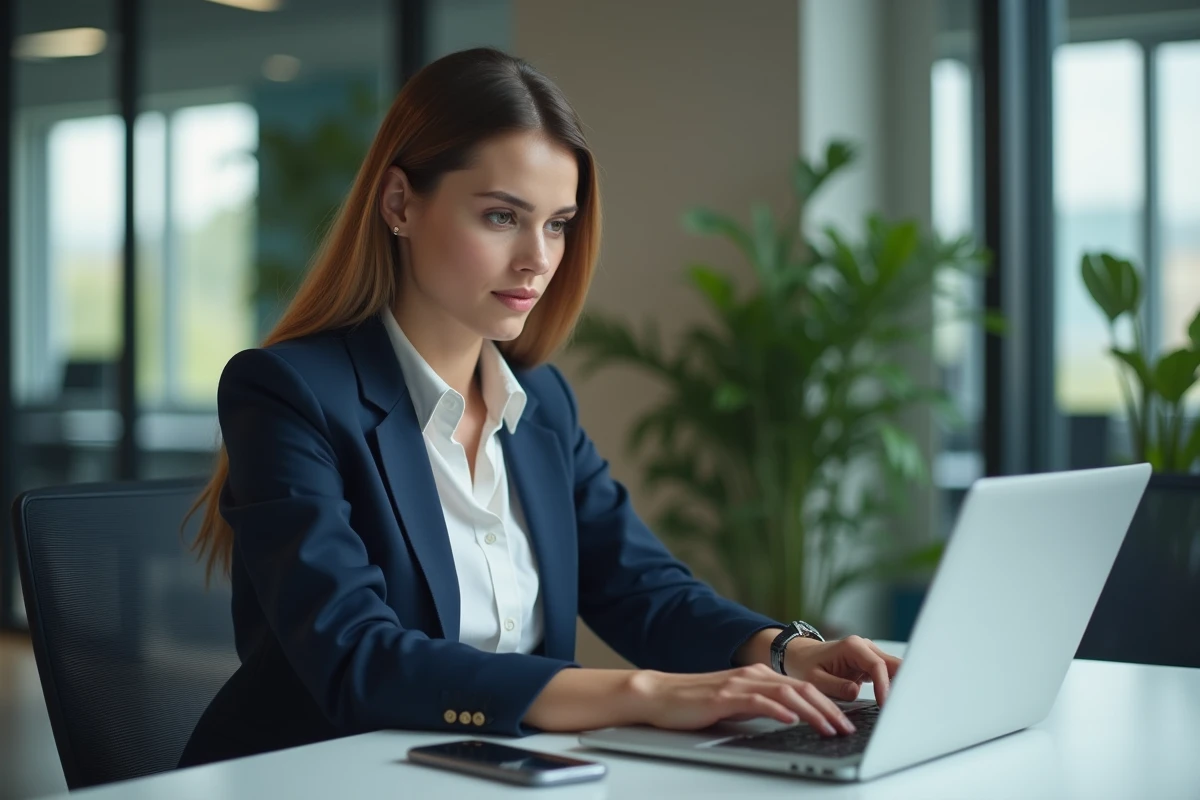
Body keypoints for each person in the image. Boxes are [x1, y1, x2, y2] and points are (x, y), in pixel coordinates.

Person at [179, 47, 900, 768]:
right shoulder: (287, 392)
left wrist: (788, 651)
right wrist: (643, 694)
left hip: (501, 773)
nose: (538, 259)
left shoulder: (541, 403)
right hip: (327, 776)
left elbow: (637, 584)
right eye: (502, 217)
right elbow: (358, 657)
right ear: (400, 203)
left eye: (557, 223)